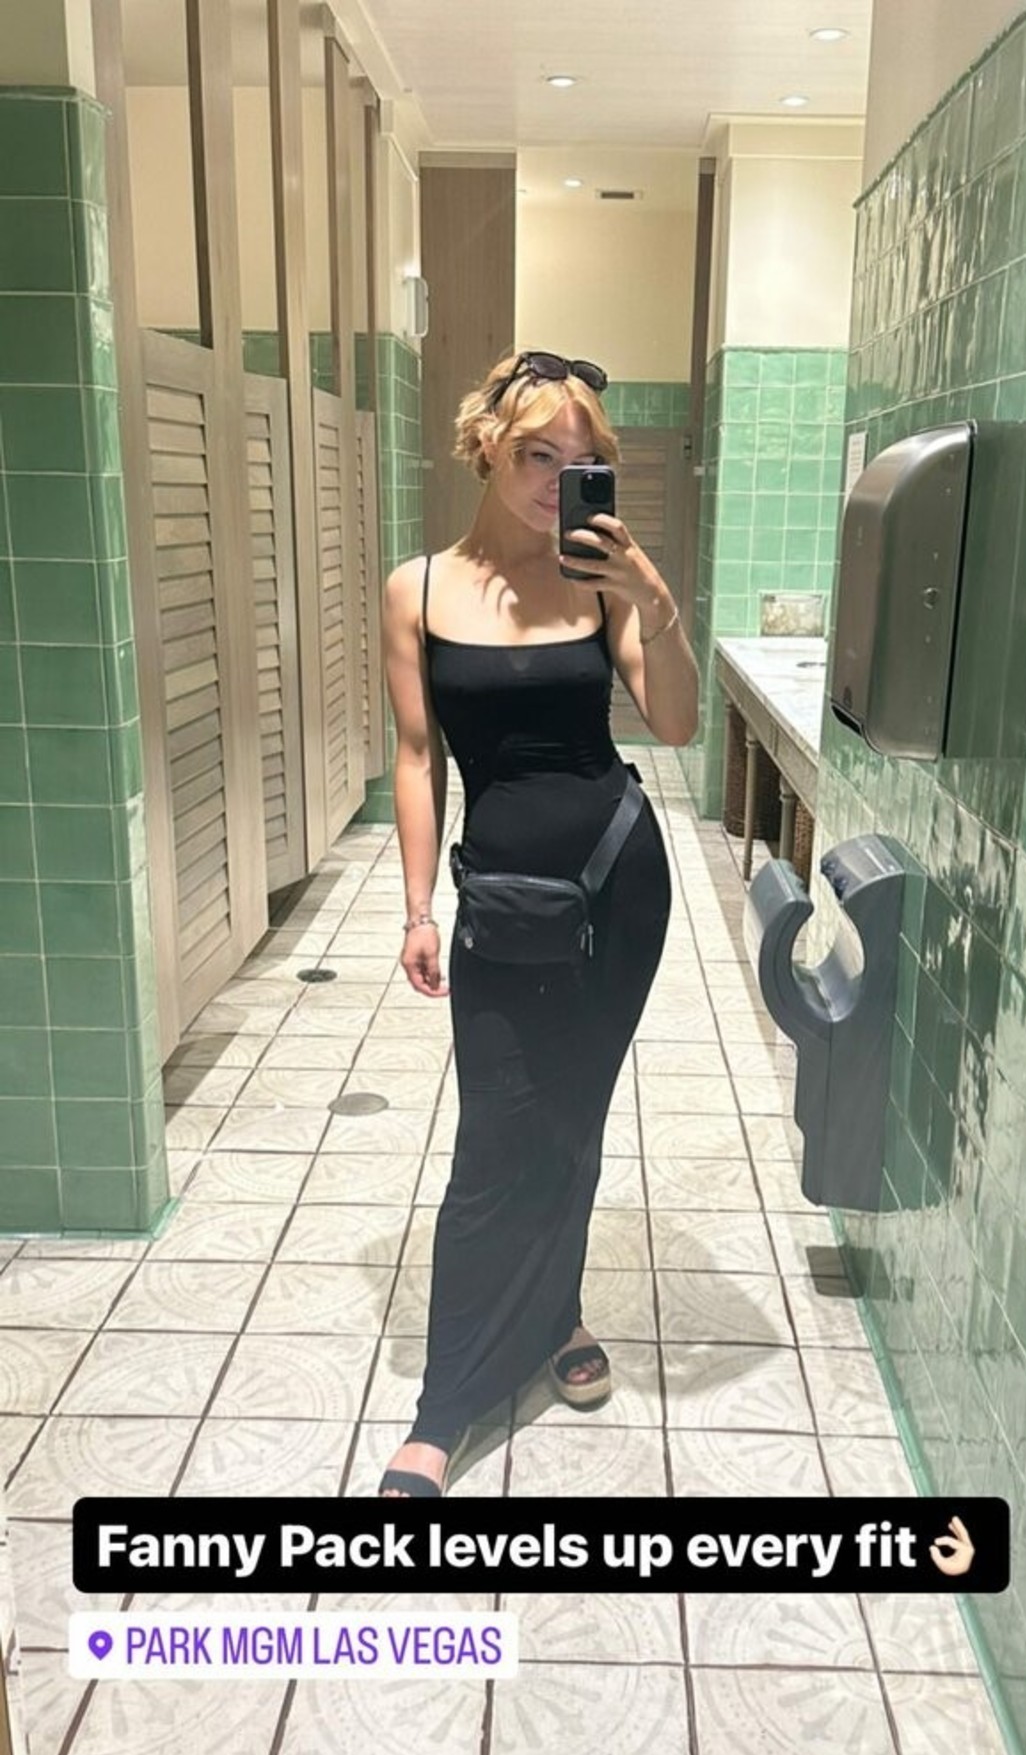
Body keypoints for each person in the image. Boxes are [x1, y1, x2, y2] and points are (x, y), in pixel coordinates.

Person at [377, 349, 699, 1496]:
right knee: (491, 1138)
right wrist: (417, 905)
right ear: (484, 448)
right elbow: (418, 757)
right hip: (503, 899)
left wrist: (655, 601)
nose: (559, 477)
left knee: (571, 1116)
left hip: (618, 885)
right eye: (535, 454)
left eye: (584, 458)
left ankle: (558, 1310)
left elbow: (674, 724)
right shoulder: (417, 589)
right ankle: (446, 1404)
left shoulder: (601, 582)